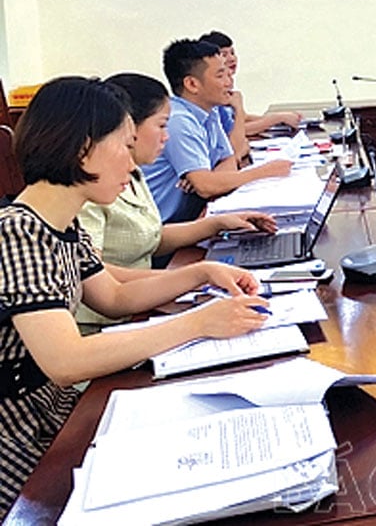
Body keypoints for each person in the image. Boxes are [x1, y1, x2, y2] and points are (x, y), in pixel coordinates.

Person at [0, 77, 270, 516]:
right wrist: (195, 323)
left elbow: (115, 296)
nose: (133, 165)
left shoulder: (61, 223)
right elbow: (66, 361)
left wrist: (202, 272)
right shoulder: (18, 231)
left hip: (56, 412)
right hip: (20, 438)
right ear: (84, 148)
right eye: (125, 148)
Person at [76, 73, 278, 333]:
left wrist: (216, 224)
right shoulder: (91, 191)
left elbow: (150, 238)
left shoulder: (133, 173)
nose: (166, 137)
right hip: (107, 325)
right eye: (161, 126)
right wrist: (194, 278)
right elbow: (98, 279)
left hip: (143, 307)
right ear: (128, 128)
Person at [142, 39, 292, 223]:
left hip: (194, 216)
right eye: (221, 76)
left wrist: (208, 178)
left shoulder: (209, 112)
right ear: (192, 84)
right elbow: (206, 187)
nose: (229, 82)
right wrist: (264, 171)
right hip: (165, 231)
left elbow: (229, 158)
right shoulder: (178, 120)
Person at [198, 30, 303, 158]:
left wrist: (280, 120)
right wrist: (276, 119)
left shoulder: (224, 86)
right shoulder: (212, 94)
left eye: (233, 53)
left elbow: (242, 117)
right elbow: (238, 130)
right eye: (224, 54)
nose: (231, 58)